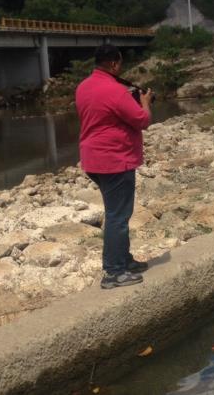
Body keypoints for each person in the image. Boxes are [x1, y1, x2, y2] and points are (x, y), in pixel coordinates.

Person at [75, 44, 154, 289]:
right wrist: (145, 102)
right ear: (114, 65)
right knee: (117, 216)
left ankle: (124, 260)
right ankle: (113, 272)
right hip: (114, 160)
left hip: (93, 159)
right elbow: (142, 120)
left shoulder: (83, 87)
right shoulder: (115, 90)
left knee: (116, 212)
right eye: (120, 63)